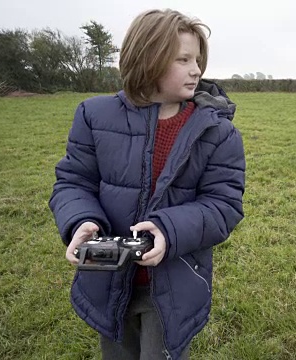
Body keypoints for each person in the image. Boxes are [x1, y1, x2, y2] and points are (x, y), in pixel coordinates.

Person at [48, 8, 246, 360]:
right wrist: (81, 221)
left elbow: (223, 205)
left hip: (174, 281)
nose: (196, 69)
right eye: (183, 59)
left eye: (198, 59)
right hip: (106, 276)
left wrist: (169, 230)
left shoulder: (218, 131)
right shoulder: (93, 116)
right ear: (148, 58)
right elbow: (73, 182)